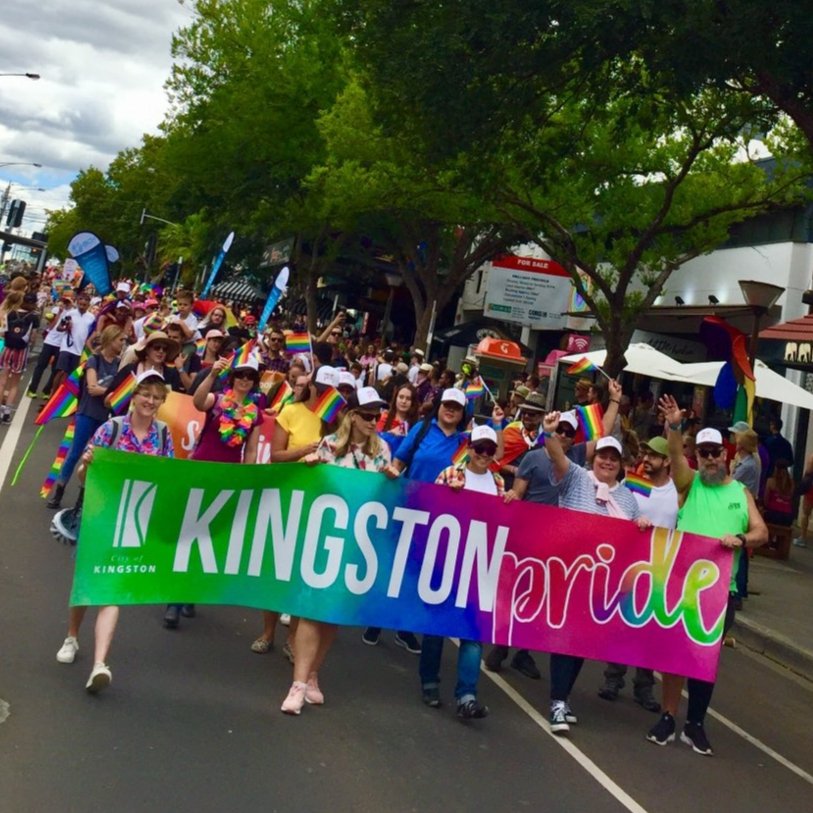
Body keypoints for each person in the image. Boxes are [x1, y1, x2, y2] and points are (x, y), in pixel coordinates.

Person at [646, 396, 768, 756]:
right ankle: (668, 716)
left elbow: (761, 532)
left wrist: (742, 539)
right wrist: (674, 427)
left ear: (726, 454)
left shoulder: (740, 493)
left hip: (720, 591)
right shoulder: (690, 483)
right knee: (675, 654)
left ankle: (694, 723)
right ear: (696, 457)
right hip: (683, 583)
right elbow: (674, 455)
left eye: (716, 451)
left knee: (704, 657)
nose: (711, 458)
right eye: (704, 453)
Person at [486, 383, 622, 678]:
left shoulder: (573, 457)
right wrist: (511, 498)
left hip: (560, 542)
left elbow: (602, 433)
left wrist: (613, 401)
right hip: (529, 536)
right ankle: (501, 645)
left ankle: (524, 652)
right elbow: (519, 493)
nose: (563, 436)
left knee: (542, 597)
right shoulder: (533, 458)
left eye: (568, 433)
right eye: (559, 430)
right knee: (517, 592)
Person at [54, 371, 174, 693]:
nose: (150, 400)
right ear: (134, 396)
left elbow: (171, 478)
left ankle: (99, 664)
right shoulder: (112, 428)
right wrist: (87, 465)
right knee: (88, 582)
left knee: (110, 590)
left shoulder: (163, 436)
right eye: (145, 393)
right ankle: (72, 636)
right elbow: (83, 478)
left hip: (134, 525)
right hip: (101, 517)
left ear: (162, 401)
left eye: (156, 396)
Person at [537, 409, 649, 735]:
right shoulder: (576, 477)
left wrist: (641, 527)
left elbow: (631, 543)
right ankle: (557, 700)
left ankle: (564, 697)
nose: (608, 463)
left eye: (614, 458)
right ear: (594, 459)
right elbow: (557, 457)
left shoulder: (628, 500)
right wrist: (549, 432)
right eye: (603, 456)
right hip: (570, 574)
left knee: (584, 644)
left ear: (620, 464)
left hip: (603, 585)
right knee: (565, 639)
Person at [280, 387, 391, 715]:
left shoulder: (381, 451)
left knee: (333, 616)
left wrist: (393, 479)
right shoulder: (329, 446)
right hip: (324, 538)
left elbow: (389, 495)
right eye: (368, 416)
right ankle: (297, 684)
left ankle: (313, 673)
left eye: (377, 416)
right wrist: (310, 467)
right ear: (352, 416)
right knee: (313, 610)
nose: (373, 422)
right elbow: (309, 489)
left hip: (357, 544)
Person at [162, 353, 264, 629]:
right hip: (200, 472)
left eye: (250, 376)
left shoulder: (255, 414)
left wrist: (245, 480)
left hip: (226, 479)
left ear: (254, 382)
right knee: (187, 533)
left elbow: (251, 451)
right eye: (240, 374)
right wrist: (211, 375)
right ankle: (173, 600)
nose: (244, 380)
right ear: (233, 377)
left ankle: (190, 591)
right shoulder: (218, 400)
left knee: (206, 538)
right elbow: (197, 401)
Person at [250, 366, 341, 657]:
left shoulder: (337, 422)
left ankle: (292, 639)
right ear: (311, 386)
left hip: (319, 502)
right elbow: (276, 456)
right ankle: (268, 632)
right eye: (320, 387)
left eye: (331, 389)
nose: (324, 393)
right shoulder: (290, 411)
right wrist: (305, 452)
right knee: (275, 567)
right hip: (288, 496)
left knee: (302, 572)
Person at [419, 425, 504, 718]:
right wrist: (447, 495)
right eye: (479, 448)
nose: (483, 455)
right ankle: (429, 682)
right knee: (435, 629)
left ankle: (467, 695)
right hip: (446, 561)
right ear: (469, 447)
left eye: (489, 451)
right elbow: (428, 507)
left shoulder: (498, 482)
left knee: (472, 633)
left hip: (479, 565)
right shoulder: (451, 474)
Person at [597, 435, 677, 712]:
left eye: (653, 455)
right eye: (644, 453)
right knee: (622, 623)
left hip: (661, 567)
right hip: (629, 564)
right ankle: (613, 679)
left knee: (650, 629)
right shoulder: (633, 483)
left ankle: (644, 687)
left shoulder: (677, 491)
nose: (646, 459)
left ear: (666, 461)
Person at [46, 325, 127, 508]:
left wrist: (106, 391)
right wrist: (114, 392)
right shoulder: (94, 360)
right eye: (120, 340)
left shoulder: (120, 364)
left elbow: (112, 391)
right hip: (87, 413)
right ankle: (59, 491)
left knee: (94, 457)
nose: (123, 343)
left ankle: (83, 497)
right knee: (75, 453)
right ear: (110, 339)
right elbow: (92, 388)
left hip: (106, 418)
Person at [0, 291, 40, 422]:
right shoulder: (34, 317)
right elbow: (33, 337)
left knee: (3, 380)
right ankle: (7, 412)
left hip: (8, 349)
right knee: (15, 383)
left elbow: (2, 333)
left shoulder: (11, 313)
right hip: (21, 351)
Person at [109, 331, 183, 399]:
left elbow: (175, 402)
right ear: (147, 349)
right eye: (157, 347)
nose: (161, 351)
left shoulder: (172, 374)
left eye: (165, 349)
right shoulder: (130, 370)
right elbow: (109, 398)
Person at [28, 291, 74, 400]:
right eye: (64, 300)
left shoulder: (73, 313)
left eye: (68, 300)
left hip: (62, 345)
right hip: (50, 342)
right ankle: (32, 389)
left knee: (55, 369)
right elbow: (51, 327)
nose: (66, 302)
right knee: (41, 366)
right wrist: (59, 313)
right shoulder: (55, 310)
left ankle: (47, 391)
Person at [377, 382, 419, 457]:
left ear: (413, 402)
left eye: (408, 399)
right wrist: (389, 434)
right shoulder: (384, 418)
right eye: (401, 397)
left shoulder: (417, 425)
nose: (403, 401)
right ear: (395, 398)